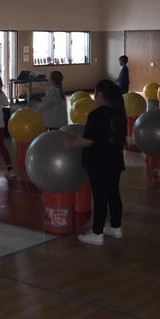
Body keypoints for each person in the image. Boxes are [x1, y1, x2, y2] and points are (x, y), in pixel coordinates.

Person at [68, 78, 126, 245]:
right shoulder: (119, 113)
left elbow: (89, 140)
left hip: (99, 162)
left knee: (100, 197)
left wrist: (70, 143)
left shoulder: (96, 114)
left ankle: (97, 233)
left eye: (95, 93)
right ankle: (116, 228)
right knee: (114, 194)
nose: (94, 97)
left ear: (100, 95)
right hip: (115, 160)